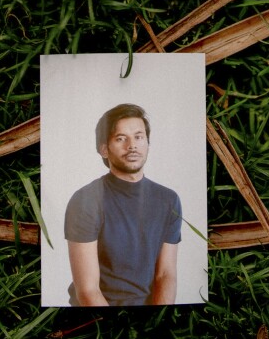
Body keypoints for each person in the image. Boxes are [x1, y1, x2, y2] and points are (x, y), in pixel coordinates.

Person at [64, 103, 182, 306]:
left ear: (147, 143)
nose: (132, 146)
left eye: (139, 137)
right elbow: (87, 290)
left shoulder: (168, 199)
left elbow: (165, 275)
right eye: (121, 139)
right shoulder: (85, 200)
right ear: (103, 149)